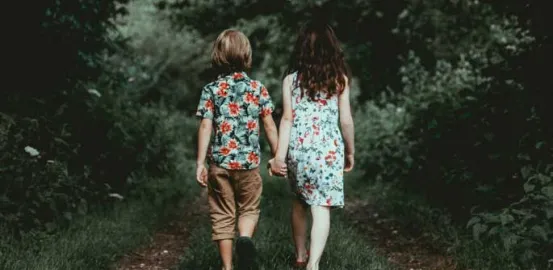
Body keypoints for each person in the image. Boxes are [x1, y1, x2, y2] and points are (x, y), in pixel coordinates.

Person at [269, 21, 355, 270]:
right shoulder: (340, 80)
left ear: (302, 48)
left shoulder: (291, 81)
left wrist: (279, 158)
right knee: (321, 207)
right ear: (332, 48)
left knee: (299, 202)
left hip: (299, 150)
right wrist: (350, 151)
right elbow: (346, 120)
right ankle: (313, 264)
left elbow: (286, 120)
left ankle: (299, 255)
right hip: (328, 151)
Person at [195, 29, 279, 270]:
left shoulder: (211, 90)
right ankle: (244, 238)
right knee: (249, 208)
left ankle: (227, 266)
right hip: (249, 164)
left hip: (219, 164)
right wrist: (276, 156)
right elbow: (270, 125)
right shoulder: (257, 88)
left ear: (218, 54)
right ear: (246, 54)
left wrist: (200, 162)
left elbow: (205, 126)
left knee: (221, 214)